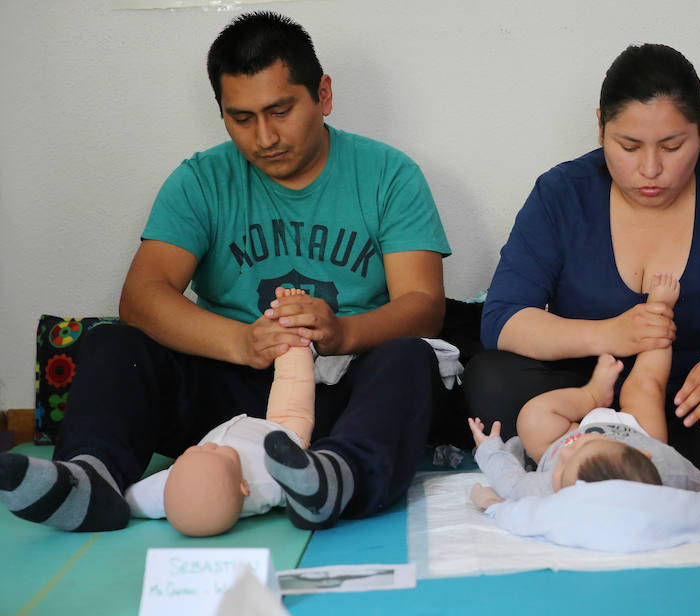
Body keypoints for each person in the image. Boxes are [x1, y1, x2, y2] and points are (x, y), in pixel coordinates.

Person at [0, 11, 451, 532]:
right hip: (227, 396)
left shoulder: (389, 175)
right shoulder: (200, 179)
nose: (264, 137)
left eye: (280, 110)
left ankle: (338, 478)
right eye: (241, 118)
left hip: (340, 393)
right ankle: (90, 480)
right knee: (113, 342)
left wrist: (342, 331)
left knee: (411, 358)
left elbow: (424, 306)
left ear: (322, 95)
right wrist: (242, 342)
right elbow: (142, 296)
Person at [464, 43, 700, 477]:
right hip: (586, 396)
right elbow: (504, 318)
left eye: (671, 146)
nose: (649, 169)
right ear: (600, 128)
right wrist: (610, 334)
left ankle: (596, 459)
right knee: (488, 380)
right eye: (629, 146)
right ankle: (649, 459)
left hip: (694, 404)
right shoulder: (561, 193)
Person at [467, 274, 700, 509]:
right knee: (646, 384)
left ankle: (592, 396)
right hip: (634, 434)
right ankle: (659, 310)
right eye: (582, 450)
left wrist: (489, 449)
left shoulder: (546, 490)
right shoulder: (659, 471)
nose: (571, 450)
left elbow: (509, 484)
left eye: (563, 470)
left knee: (532, 418)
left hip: (568, 428)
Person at [126, 287, 315, 537]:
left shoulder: (172, 489)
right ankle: (292, 326)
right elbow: (308, 489)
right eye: (218, 456)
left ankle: (87, 477)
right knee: (294, 377)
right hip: (282, 431)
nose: (208, 448)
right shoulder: (268, 481)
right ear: (244, 487)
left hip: (214, 404)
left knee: (113, 339)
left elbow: (135, 499)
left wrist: (120, 501)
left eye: (193, 454)